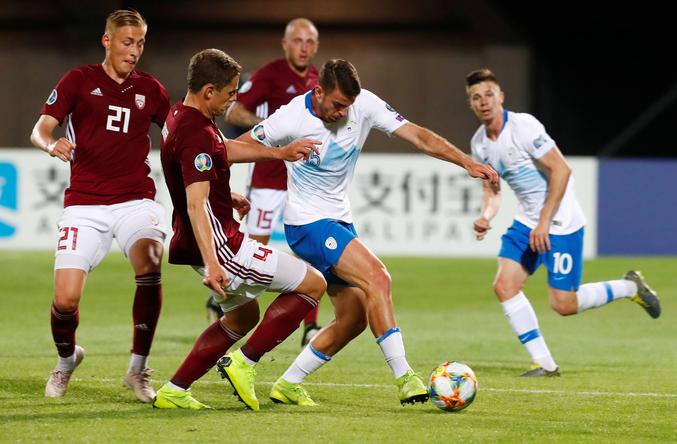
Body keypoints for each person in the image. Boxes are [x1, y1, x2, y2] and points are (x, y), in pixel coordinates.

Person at [233, 59, 498, 406]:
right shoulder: (291, 116)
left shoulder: (365, 105)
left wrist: (467, 161)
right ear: (318, 92)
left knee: (354, 317)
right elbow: (236, 146)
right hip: (307, 224)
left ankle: (287, 382)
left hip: (338, 221)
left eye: (348, 106)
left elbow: (418, 135)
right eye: (337, 105)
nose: (343, 112)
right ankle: (405, 376)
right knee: (378, 277)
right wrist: (274, 155)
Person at [152, 48, 326, 411]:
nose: (234, 100)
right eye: (231, 92)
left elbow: (220, 152)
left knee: (243, 316)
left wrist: (273, 157)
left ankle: (174, 389)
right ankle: (243, 363)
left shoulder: (180, 116)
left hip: (200, 239)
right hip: (222, 247)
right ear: (210, 90)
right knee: (313, 284)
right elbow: (197, 203)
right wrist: (215, 263)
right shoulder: (196, 130)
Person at [465, 68, 661, 377]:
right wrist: (485, 216)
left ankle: (628, 287)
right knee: (504, 285)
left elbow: (561, 170)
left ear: (500, 97)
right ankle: (545, 363)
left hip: (560, 221)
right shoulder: (480, 145)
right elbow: (492, 190)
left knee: (564, 304)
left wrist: (544, 223)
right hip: (528, 221)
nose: (483, 101)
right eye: (476, 98)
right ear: (471, 105)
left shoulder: (524, 127)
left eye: (489, 94)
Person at [30, 9, 170, 402]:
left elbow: (181, 141)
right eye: (128, 42)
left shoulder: (152, 90)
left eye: (141, 43)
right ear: (107, 41)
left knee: (150, 262)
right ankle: (66, 360)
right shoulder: (79, 80)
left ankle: (137, 370)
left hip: (135, 200)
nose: (135, 51)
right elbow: (41, 129)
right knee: (65, 300)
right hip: (85, 203)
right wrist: (51, 143)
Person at [209, 18, 322, 348]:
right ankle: (233, 306)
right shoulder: (270, 74)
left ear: (315, 47)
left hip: (303, 181)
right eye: (297, 40)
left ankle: (311, 326)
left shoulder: (318, 80)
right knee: (251, 248)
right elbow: (233, 112)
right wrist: (270, 126)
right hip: (268, 179)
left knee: (309, 249)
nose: (303, 46)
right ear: (285, 44)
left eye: (309, 42)